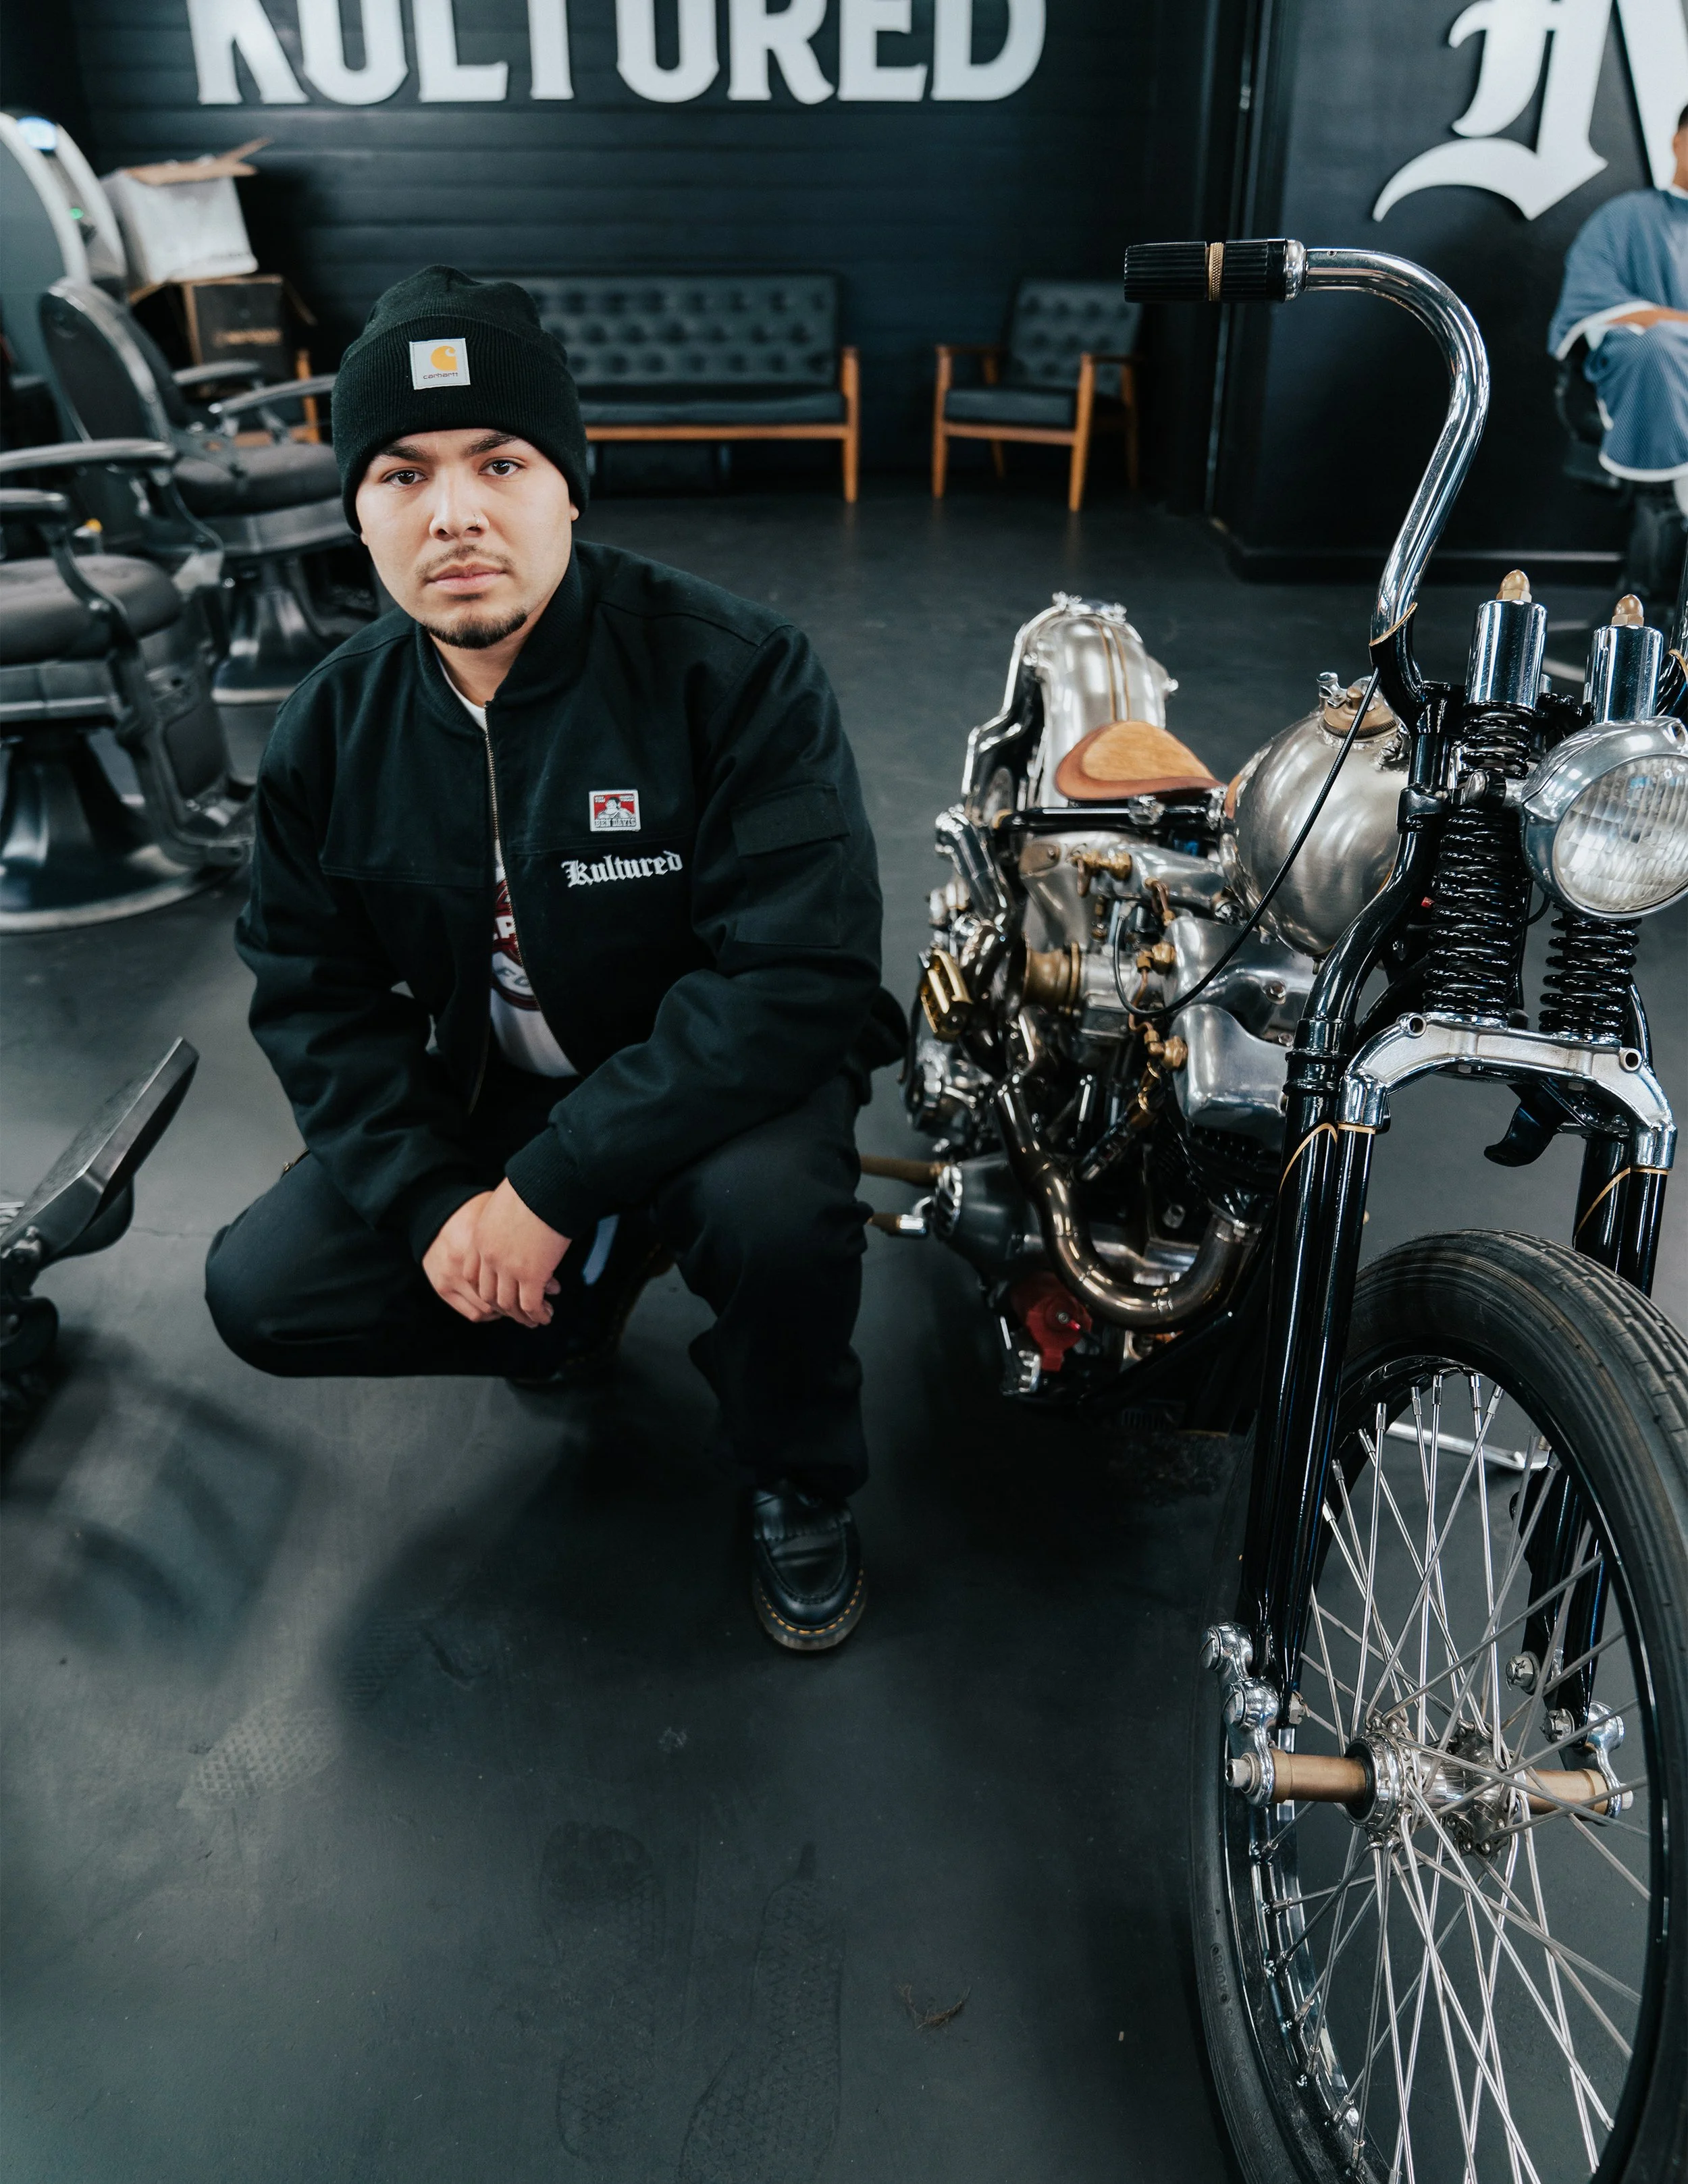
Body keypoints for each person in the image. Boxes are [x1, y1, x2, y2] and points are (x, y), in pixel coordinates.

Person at [205, 266, 900, 1652]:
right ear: (356, 509)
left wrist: (555, 1186)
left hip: (714, 1088)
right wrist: (438, 1207)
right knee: (264, 1289)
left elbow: (798, 980)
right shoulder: (329, 732)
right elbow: (314, 999)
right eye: (401, 474)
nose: (453, 514)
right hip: (504, 1094)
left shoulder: (735, 671)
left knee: (769, 1217)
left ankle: (796, 1480)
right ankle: (568, 1299)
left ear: (569, 485)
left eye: (499, 463)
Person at [1550, 105, 1688, 593]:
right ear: (1677, 141)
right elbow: (1598, 306)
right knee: (1657, 346)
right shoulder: (1625, 219)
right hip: (1653, 380)